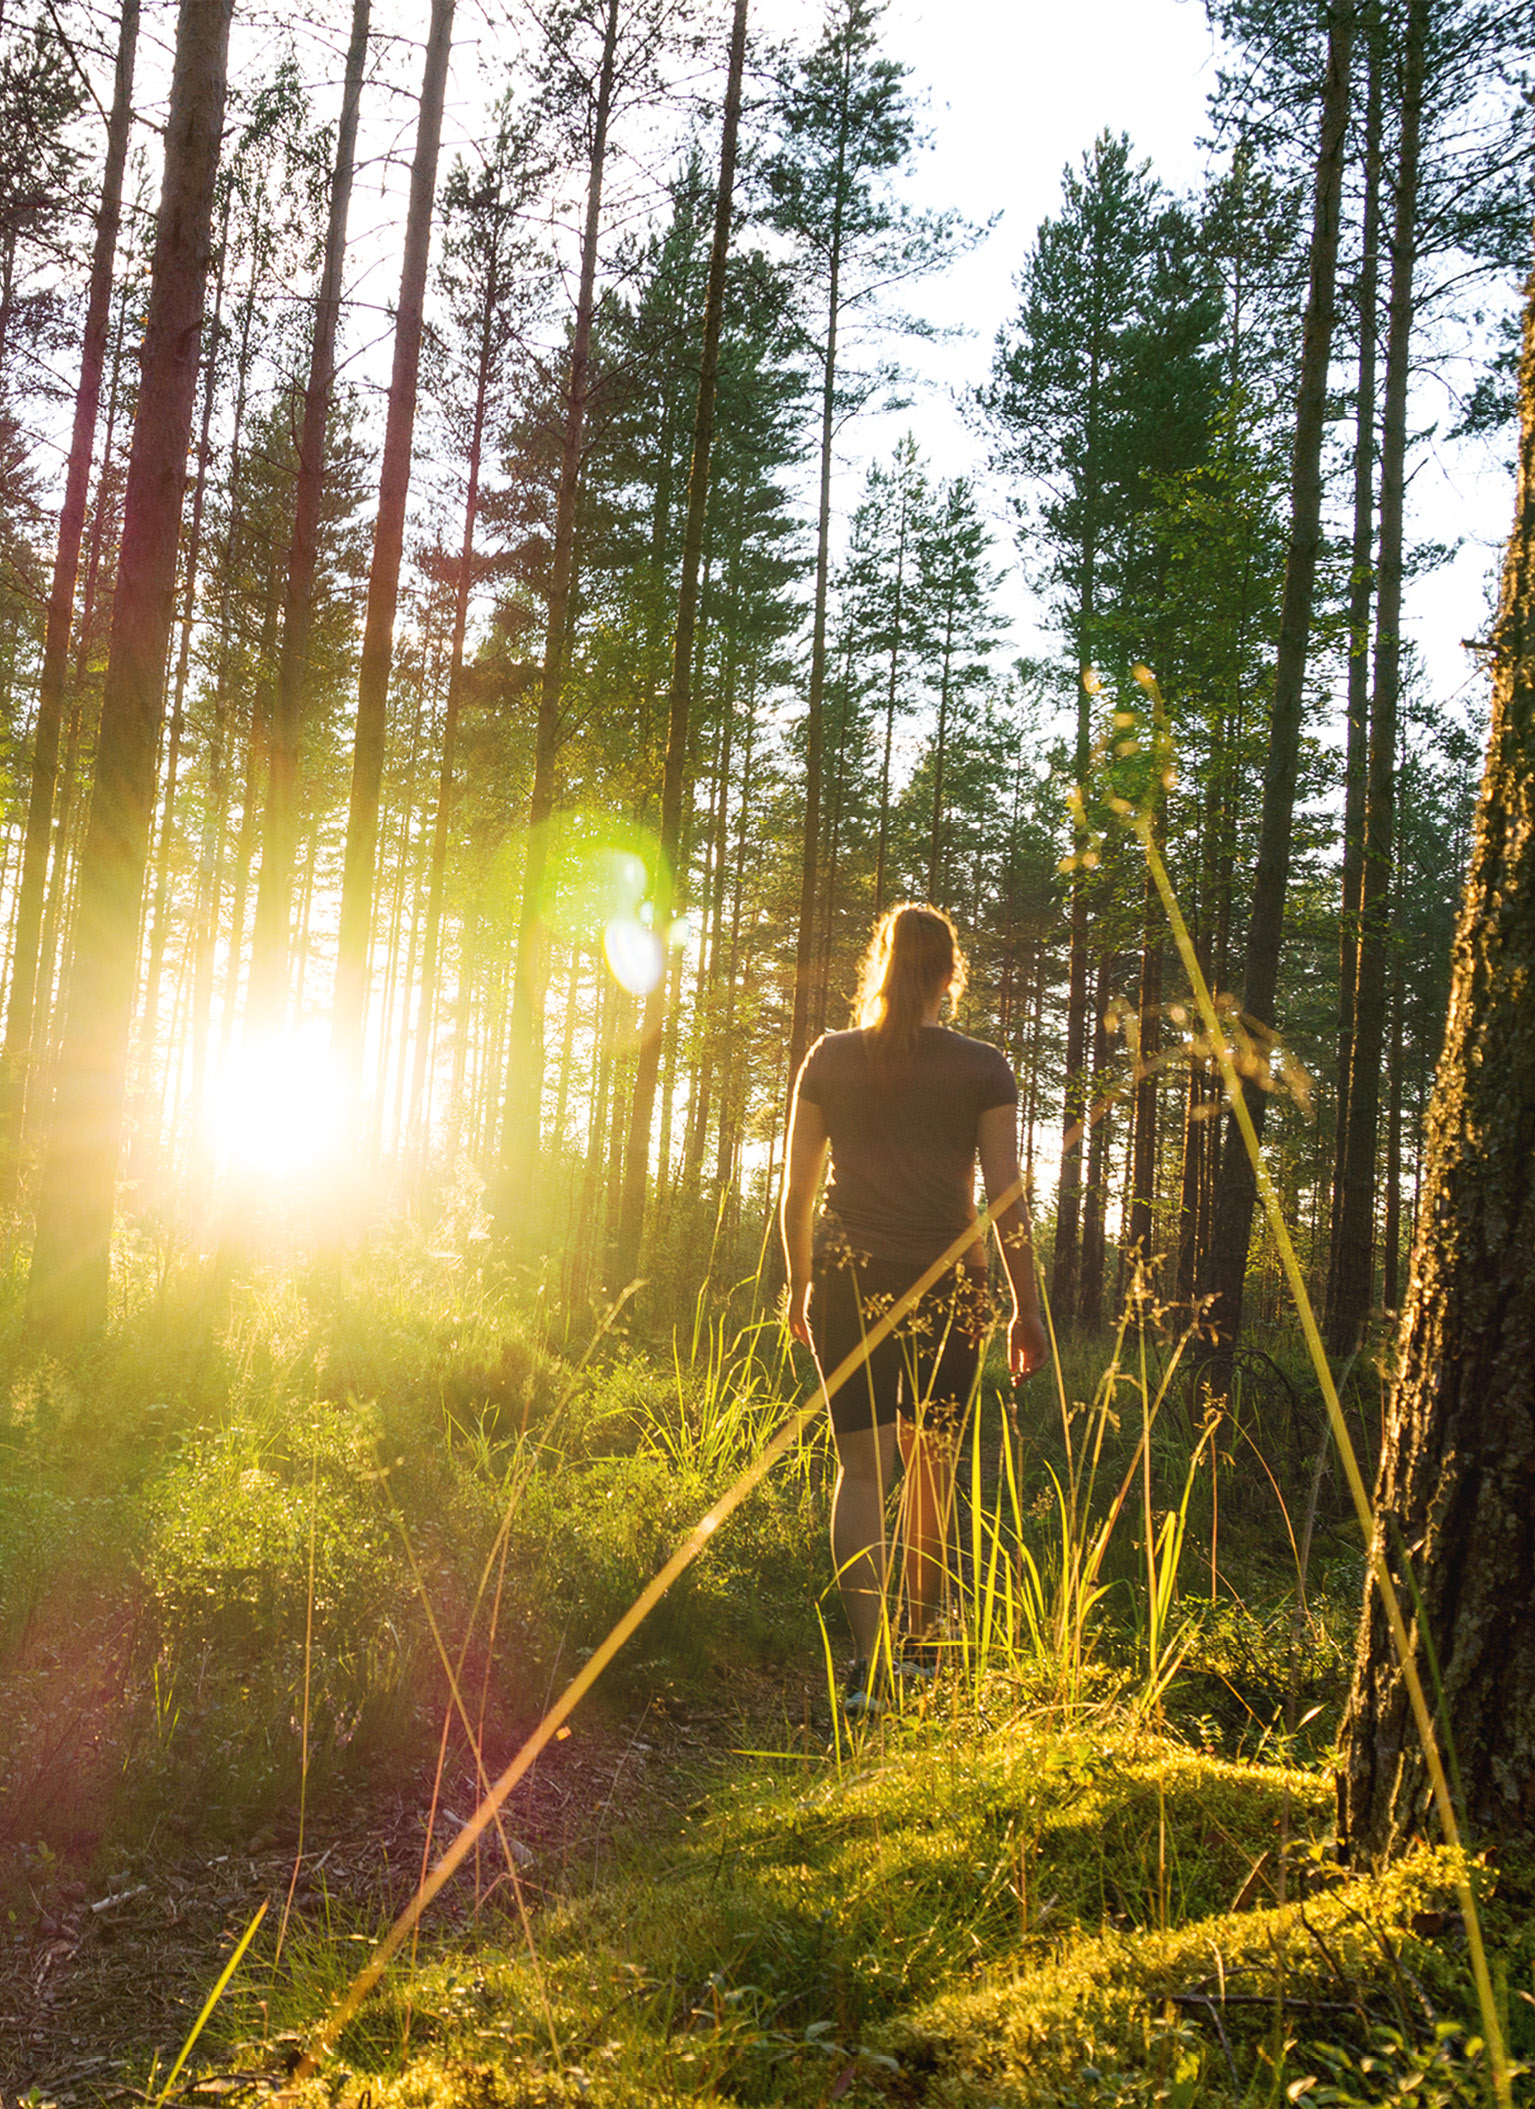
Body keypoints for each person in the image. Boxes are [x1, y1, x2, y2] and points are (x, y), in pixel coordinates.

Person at [781, 903, 1049, 1715]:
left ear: (881, 967)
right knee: (932, 1462)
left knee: (861, 1468)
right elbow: (1004, 1194)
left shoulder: (828, 1056)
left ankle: (868, 1669)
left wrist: (798, 1283)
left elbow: (795, 1190)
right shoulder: (982, 1066)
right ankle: (922, 1652)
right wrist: (1024, 1306)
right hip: (951, 1285)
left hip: (846, 1280)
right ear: (947, 975)